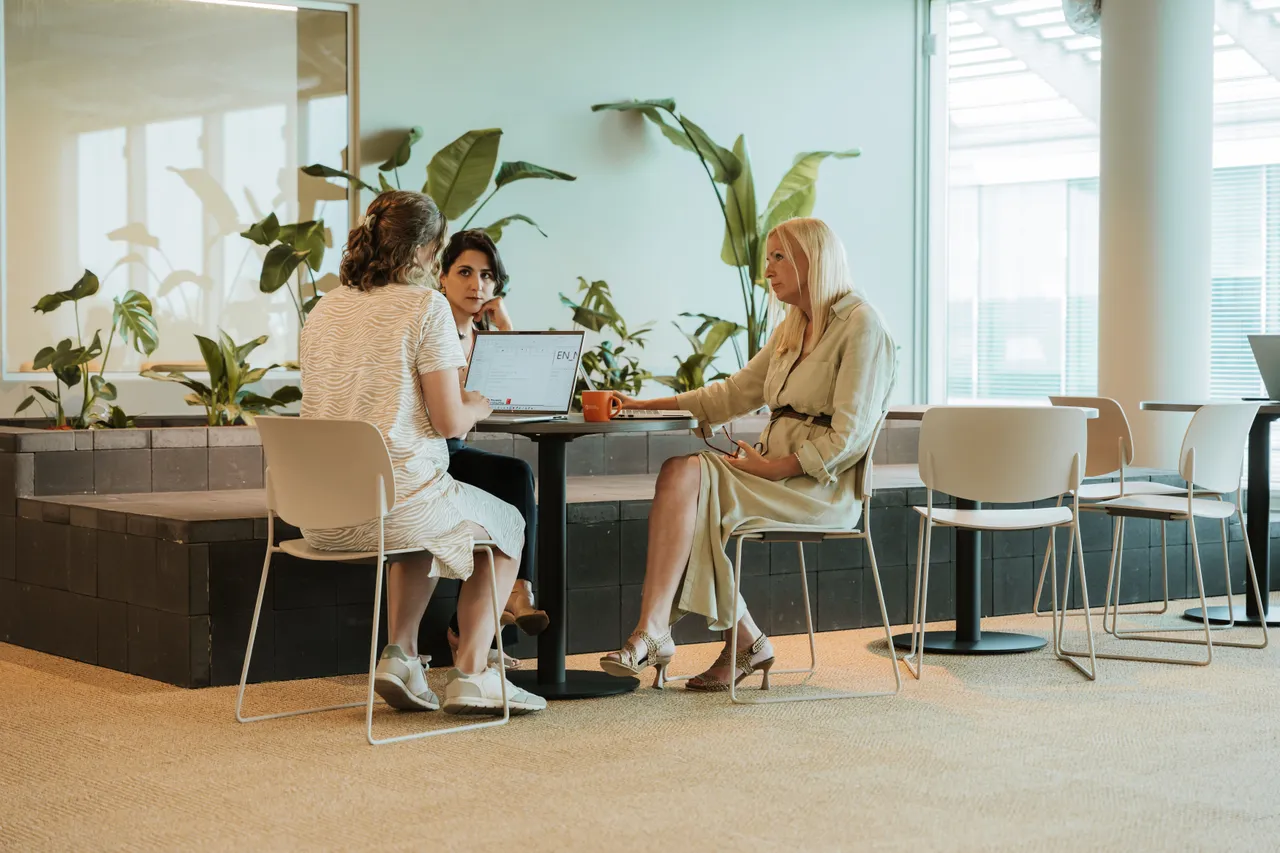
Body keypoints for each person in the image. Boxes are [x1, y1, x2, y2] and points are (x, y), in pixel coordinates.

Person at [599, 217, 896, 691]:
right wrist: (638, 403)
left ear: (812, 260)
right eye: (768, 259)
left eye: (779, 258)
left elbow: (850, 436)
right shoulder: (792, 326)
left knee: (691, 486)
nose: (768, 271)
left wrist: (774, 467)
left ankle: (715, 638)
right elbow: (732, 394)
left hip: (820, 489)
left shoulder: (862, 324)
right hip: (766, 474)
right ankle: (677, 633)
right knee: (682, 475)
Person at [299, 190, 545, 715]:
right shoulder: (424, 306)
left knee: (423, 515)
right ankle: (474, 672)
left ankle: (402, 654)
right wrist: (476, 404)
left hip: (318, 514)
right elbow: (449, 420)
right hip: (397, 506)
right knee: (507, 523)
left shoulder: (324, 307)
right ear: (428, 250)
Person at [436, 229, 547, 663]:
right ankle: (514, 596)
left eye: (486, 276)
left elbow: (528, 392)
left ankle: (469, 629)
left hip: (454, 451)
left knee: (512, 483)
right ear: (442, 277)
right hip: (432, 453)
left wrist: (504, 327)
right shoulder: (435, 330)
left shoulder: (481, 339)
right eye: (464, 272)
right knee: (516, 477)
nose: (475, 285)